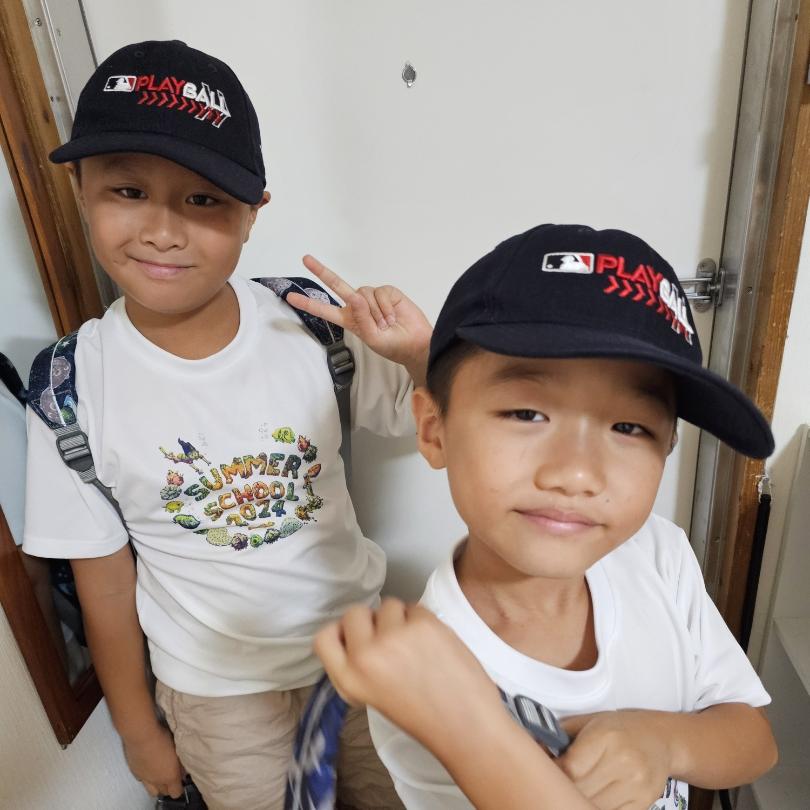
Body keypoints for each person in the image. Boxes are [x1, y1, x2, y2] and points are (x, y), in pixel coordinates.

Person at [22, 39, 431, 810]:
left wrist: (418, 355)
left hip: (360, 658)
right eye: (128, 191)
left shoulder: (312, 325)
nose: (163, 231)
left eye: (203, 200)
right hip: (218, 701)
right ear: (79, 189)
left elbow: (450, 429)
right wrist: (137, 729)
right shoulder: (70, 390)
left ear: (251, 214)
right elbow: (103, 579)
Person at [314, 224, 779, 810]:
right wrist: (467, 728)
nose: (576, 473)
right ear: (433, 430)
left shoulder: (658, 552)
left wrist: (664, 741)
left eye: (629, 427)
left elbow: (754, 741)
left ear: (667, 447)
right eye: (527, 414)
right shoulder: (422, 678)